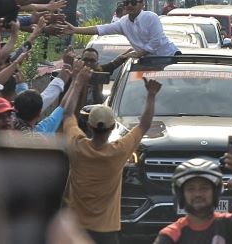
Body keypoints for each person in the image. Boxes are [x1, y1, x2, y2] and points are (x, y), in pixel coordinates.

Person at [64, 61, 162, 243]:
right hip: (106, 231)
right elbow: (144, 124)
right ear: (112, 128)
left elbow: (68, 114)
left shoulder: (77, 146)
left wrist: (78, 83)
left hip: (76, 229)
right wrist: (151, 95)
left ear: (90, 126)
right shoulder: (118, 152)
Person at [155, 153, 232, 244]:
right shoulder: (171, 235)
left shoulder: (229, 225)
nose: (197, 194)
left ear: (216, 192)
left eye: (204, 188)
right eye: (191, 189)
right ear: (181, 194)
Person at [61, 0, 180, 58]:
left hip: (169, 57)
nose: (129, 5)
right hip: (148, 61)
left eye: (133, 3)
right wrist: (75, 30)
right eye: (126, 3)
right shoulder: (123, 22)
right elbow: (101, 29)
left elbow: (156, 41)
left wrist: (139, 53)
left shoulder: (151, 17)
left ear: (142, 4)